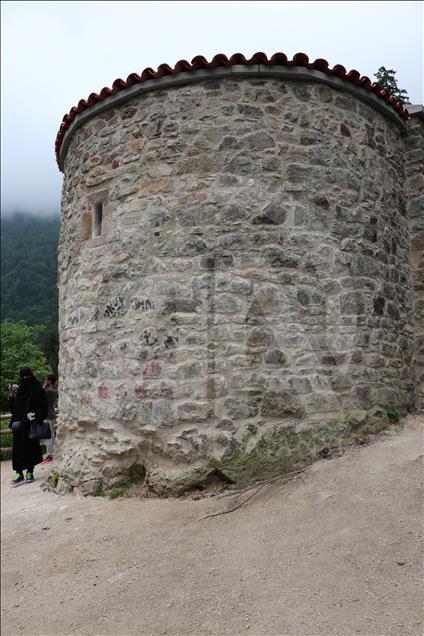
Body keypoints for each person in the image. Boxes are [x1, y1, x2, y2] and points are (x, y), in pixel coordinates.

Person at [8, 367, 47, 487]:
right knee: (18, 449)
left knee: (31, 448)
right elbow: (14, 409)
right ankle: (19, 473)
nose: (25, 379)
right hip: (19, 426)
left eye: (27, 377)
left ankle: (30, 471)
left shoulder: (38, 389)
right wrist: (11, 396)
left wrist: (35, 415)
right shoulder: (20, 390)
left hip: (31, 425)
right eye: (23, 377)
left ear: (31, 376)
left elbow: (44, 407)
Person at [41, 373, 58, 464]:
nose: (45, 381)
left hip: (48, 415)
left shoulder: (48, 391)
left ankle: (50, 455)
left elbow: (38, 395)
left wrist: (44, 386)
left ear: (50, 381)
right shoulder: (55, 391)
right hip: (51, 414)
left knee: (48, 436)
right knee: (51, 435)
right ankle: (52, 453)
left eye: (46, 380)